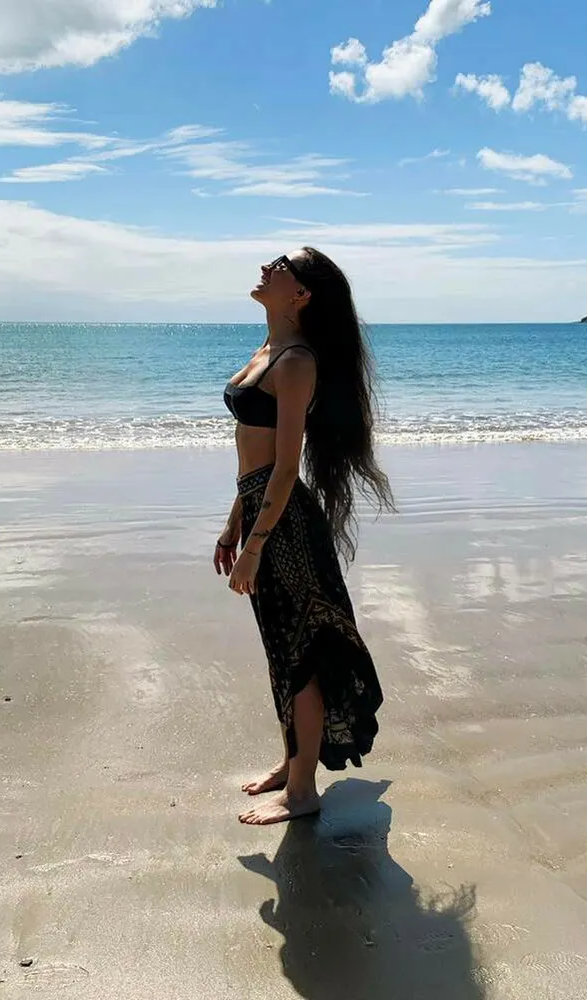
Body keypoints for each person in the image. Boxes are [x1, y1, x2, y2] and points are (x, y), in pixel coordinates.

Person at [214, 247, 396, 826]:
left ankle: (302, 792)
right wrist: (233, 523)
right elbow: (255, 460)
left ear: (301, 294)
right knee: (282, 650)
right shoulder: (268, 352)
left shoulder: (295, 362)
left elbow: (286, 467)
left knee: (301, 654)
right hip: (262, 509)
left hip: (286, 524)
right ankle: (294, 763)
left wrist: (255, 544)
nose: (266, 268)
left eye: (280, 265)